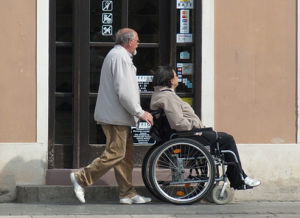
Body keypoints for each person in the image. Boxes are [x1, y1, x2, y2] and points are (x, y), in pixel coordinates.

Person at [70, 28, 154, 204]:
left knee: (125, 156)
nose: (138, 43)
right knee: (116, 153)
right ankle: (81, 178)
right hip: (116, 116)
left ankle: (127, 193)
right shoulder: (120, 57)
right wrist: (139, 112)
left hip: (118, 116)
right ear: (129, 41)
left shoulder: (118, 56)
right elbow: (124, 91)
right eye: (137, 40)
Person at [150, 65, 260, 189]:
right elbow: (179, 123)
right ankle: (239, 177)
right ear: (171, 80)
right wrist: (196, 126)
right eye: (176, 76)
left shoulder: (161, 94)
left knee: (222, 137)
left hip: (184, 136)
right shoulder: (168, 97)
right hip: (187, 136)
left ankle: (238, 175)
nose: (177, 78)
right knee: (227, 139)